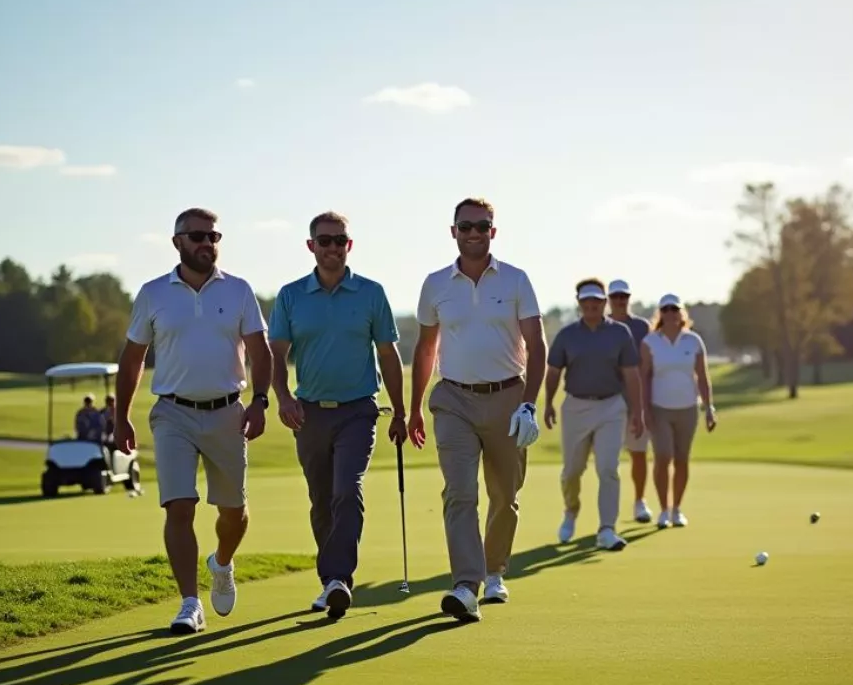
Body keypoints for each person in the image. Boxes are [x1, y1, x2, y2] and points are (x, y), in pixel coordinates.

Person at [115, 207, 271, 635]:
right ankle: (189, 603)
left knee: (233, 511)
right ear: (177, 242)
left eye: (214, 236)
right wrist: (121, 417)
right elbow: (132, 360)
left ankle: (221, 563)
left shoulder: (238, 290)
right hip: (173, 413)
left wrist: (259, 401)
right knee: (179, 506)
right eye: (198, 236)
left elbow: (260, 352)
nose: (208, 243)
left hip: (227, 412)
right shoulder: (152, 293)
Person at [408, 197, 546, 623]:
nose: (474, 233)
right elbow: (426, 347)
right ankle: (466, 585)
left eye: (482, 226)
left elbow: (537, 345)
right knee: (460, 492)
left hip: (508, 397)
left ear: (493, 232)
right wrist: (413, 408)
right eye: (466, 226)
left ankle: (494, 570)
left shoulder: (516, 280)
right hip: (453, 400)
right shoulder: (435, 284)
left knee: (505, 495)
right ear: (453, 232)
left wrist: (528, 404)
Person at [269, 211, 407, 619]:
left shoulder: (371, 292)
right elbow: (277, 353)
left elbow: (388, 353)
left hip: (358, 410)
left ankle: (337, 579)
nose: (332, 247)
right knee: (321, 499)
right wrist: (282, 397)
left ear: (350, 245)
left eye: (340, 240)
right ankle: (331, 582)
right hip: (309, 412)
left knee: (347, 488)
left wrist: (400, 412)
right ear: (311, 246)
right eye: (324, 241)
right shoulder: (291, 295)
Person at [544, 278, 644, 551]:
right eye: (586, 301)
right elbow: (553, 372)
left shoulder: (620, 333)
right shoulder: (567, 335)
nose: (591, 305)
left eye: (596, 301)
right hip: (576, 406)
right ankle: (570, 511)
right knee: (572, 471)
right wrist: (549, 403)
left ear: (603, 303)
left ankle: (607, 529)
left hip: (611, 406)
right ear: (579, 303)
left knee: (608, 469)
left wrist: (637, 411)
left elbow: (631, 374)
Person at [638, 293, 716, 529]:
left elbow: (702, 376)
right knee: (663, 457)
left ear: (681, 313)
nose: (670, 314)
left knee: (682, 460)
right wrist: (645, 411)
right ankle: (663, 510)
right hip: (659, 408)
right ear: (660, 314)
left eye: (674, 310)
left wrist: (709, 407)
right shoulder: (650, 342)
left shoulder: (693, 341)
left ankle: (676, 509)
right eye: (666, 310)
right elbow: (644, 378)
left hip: (688, 409)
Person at [607, 279, 656, 524]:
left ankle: (639, 501)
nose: (619, 301)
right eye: (615, 297)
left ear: (629, 298)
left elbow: (648, 368)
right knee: (609, 459)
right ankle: (609, 511)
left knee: (638, 453)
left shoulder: (641, 327)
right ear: (609, 299)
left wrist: (645, 404)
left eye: (623, 297)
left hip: (635, 402)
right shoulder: (599, 325)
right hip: (606, 401)